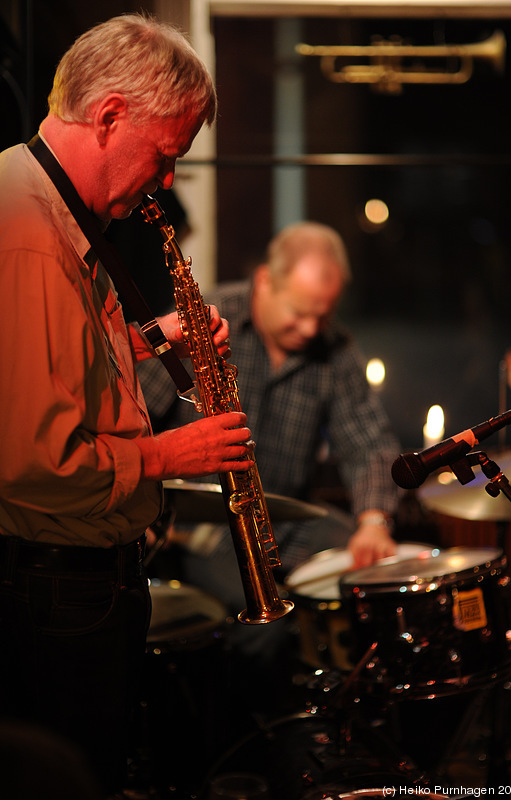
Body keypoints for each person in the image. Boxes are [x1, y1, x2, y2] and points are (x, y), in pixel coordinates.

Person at [0, 13, 254, 798]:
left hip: (64, 588)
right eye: (165, 153)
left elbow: (48, 370)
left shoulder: (34, 196)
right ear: (110, 115)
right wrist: (170, 456)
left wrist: (145, 338)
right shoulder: (32, 235)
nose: (167, 180)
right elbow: (29, 464)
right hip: (58, 594)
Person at [137, 221, 401, 683]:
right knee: (265, 631)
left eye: (324, 315)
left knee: (379, 579)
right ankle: (263, 738)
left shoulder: (334, 349)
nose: (311, 328)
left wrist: (374, 519)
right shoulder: (205, 322)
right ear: (265, 281)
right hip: (200, 526)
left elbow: (368, 441)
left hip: (282, 517)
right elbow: (135, 409)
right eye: (299, 312)